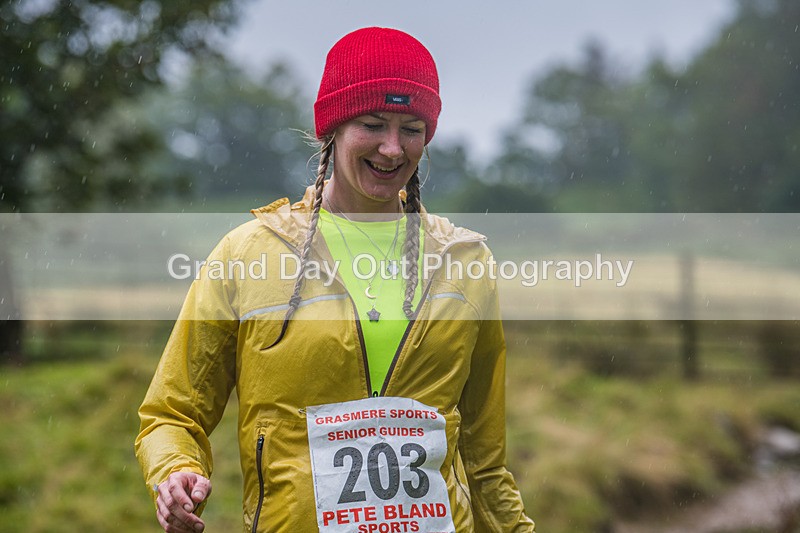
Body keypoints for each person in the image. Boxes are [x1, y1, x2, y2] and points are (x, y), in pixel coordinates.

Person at [135, 27, 536, 533]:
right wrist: (175, 470)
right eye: (373, 124)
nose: (393, 148)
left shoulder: (465, 262)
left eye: (412, 129)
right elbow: (173, 413)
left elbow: (485, 460)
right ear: (334, 127)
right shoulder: (247, 255)